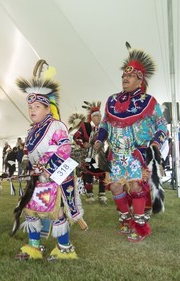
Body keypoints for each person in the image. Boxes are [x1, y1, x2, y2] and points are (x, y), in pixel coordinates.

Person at [94, 43, 167, 243]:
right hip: (116, 154)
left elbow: (162, 127)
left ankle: (140, 225)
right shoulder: (112, 101)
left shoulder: (150, 102)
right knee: (116, 188)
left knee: (136, 187)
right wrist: (99, 139)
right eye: (123, 76)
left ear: (140, 79)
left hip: (138, 153)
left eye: (130, 76)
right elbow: (105, 124)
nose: (125, 79)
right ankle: (125, 219)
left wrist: (154, 144)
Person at [12, 73, 84, 260]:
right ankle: (34, 248)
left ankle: (65, 249)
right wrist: (30, 165)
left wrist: (47, 168)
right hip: (39, 179)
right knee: (30, 209)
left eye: (37, 107)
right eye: (30, 107)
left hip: (56, 177)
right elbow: (29, 152)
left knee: (56, 212)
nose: (32, 110)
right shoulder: (32, 131)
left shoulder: (56, 126)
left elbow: (65, 149)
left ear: (47, 109)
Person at [73, 101, 107, 204]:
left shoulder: (103, 127)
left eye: (100, 116)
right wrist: (84, 144)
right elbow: (76, 137)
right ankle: (90, 195)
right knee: (88, 173)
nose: (99, 118)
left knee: (102, 174)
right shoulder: (85, 126)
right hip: (88, 154)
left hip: (100, 154)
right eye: (97, 116)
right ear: (92, 117)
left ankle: (102, 195)